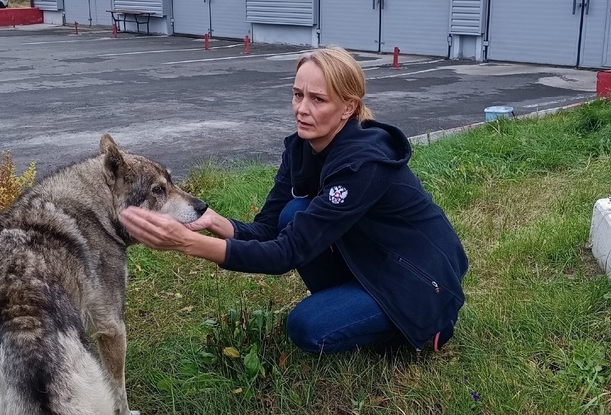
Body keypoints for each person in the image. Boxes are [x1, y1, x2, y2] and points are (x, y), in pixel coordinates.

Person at [120, 46, 468, 355]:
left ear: (348, 107)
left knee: (307, 328)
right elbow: (270, 228)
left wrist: (188, 243)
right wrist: (213, 222)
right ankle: (352, 302)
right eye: (297, 94)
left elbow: (285, 254)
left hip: (420, 281)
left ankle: (415, 328)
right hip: (372, 261)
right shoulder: (302, 150)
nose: (302, 108)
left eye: (318, 99)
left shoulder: (362, 164)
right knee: (293, 212)